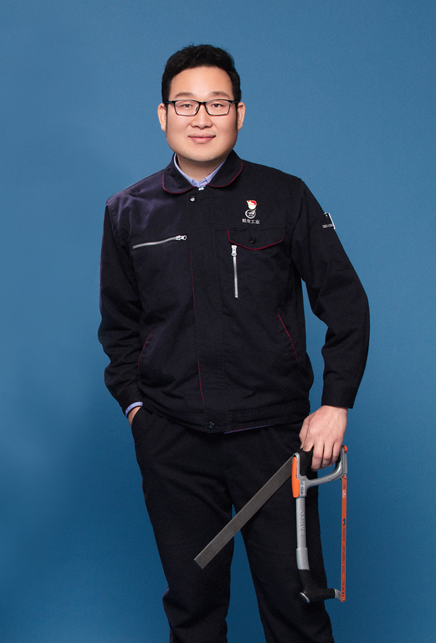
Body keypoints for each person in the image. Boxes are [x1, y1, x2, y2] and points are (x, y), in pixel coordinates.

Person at [98, 44, 369, 643]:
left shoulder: (285, 196)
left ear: (239, 114)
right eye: (186, 104)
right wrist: (139, 413)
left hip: (274, 443)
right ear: (163, 114)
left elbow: (347, 303)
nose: (202, 118)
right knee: (192, 614)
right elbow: (119, 329)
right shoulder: (127, 213)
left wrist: (336, 403)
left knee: (297, 612)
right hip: (174, 445)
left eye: (217, 104)